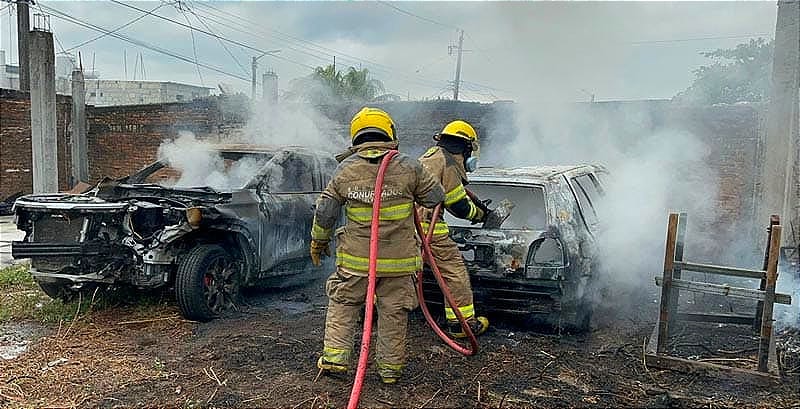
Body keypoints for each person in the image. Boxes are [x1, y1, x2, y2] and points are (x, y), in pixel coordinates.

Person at [310, 107, 444, 384]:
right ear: (389, 133)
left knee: (344, 303)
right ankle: (390, 371)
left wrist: (318, 241)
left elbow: (325, 211)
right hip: (399, 263)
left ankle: (335, 360)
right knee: (393, 314)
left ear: (356, 135)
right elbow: (435, 197)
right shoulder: (409, 166)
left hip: (356, 262)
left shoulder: (345, 170)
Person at [418, 120, 491, 338]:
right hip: (428, 228)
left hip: (404, 226)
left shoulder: (429, 158)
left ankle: (370, 311)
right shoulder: (448, 164)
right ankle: (462, 324)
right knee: (454, 273)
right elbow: (458, 205)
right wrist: (479, 215)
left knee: (397, 274)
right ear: (466, 148)